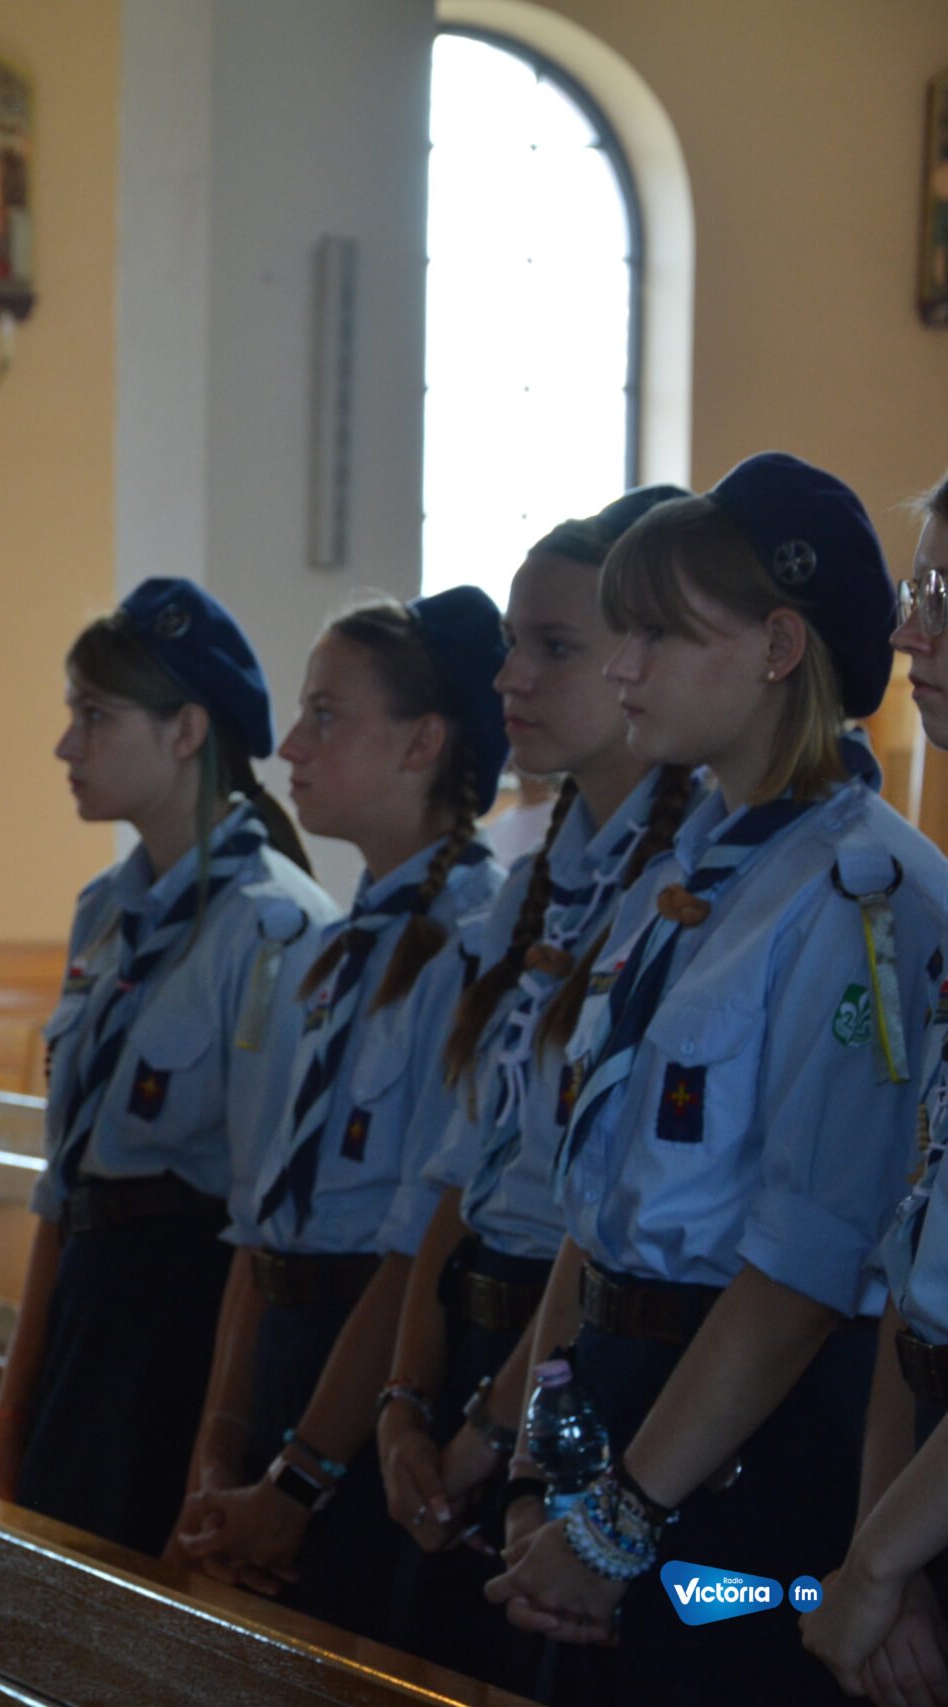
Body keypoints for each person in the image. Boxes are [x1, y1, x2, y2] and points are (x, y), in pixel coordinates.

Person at [484, 455, 948, 1707]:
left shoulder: (865, 894)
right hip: (614, 1405)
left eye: (657, 634)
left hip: (739, 1441)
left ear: (777, 649)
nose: (620, 668)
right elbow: (591, 1212)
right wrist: (541, 1465)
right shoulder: (678, 877)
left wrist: (619, 1525)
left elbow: (807, 1265)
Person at [370, 487, 690, 1690]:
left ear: (637, 657)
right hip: (471, 1338)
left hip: (569, 1368)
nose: (509, 678)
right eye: (510, 643)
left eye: (552, 647)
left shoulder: (680, 894)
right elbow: (457, 1173)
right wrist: (403, 1402)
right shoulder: (530, 885)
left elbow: (593, 1221)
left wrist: (493, 1432)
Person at [0, 578, 336, 1558]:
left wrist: (216, 1447)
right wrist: (11, 1414)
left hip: (186, 1329)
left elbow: (262, 1220)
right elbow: (63, 1190)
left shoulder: (275, 928)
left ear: (185, 732)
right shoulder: (106, 911)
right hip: (88, 1317)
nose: (66, 745)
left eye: (95, 716)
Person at [175, 590, 510, 1643]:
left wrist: (301, 1477)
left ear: (422, 742)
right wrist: (219, 1446)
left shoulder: (476, 943)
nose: (289, 745)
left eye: (326, 714)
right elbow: (260, 1219)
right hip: (283, 1358)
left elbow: (414, 1249)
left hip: (372, 1384)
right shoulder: (332, 949)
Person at [809, 469, 948, 1704]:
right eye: (916, 592)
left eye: (943, 595)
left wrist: (875, 1563)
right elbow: (919, 1253)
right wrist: (882, 1549)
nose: (909, 633)